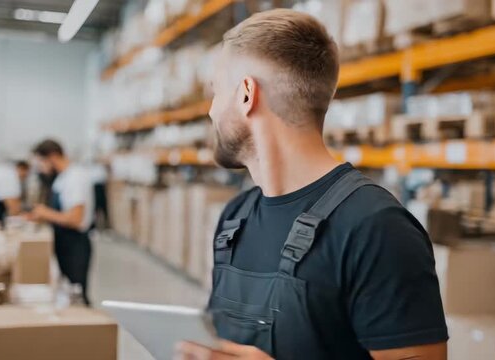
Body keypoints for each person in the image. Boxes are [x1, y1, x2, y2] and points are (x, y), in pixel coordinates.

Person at [177, 9, 448, 360]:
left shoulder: (376, 228)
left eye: (216, 91)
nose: (211, 111)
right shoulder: (234, 220)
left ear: (246, 95)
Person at [28, 139, 94, 305]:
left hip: (75, 244)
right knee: (67, 292)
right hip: (64, 241)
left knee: (77, 295)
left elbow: (75, 218)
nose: (41, 168)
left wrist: (46, 213)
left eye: (41, 162)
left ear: (52, 156)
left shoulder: (75, 177)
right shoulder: (63, 178)